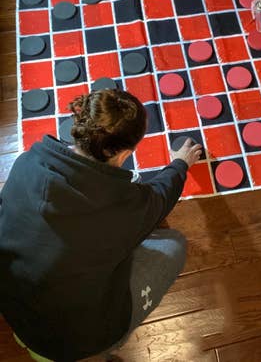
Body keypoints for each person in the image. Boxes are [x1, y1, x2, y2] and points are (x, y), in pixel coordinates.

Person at [0, 88, 202, 362]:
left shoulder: (27, 162)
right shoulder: (125, 206)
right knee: (173, 244)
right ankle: (111, 345)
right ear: (123, 155)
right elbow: (159, 199)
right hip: (77, 343)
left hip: (15, 312)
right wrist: (180, 163)